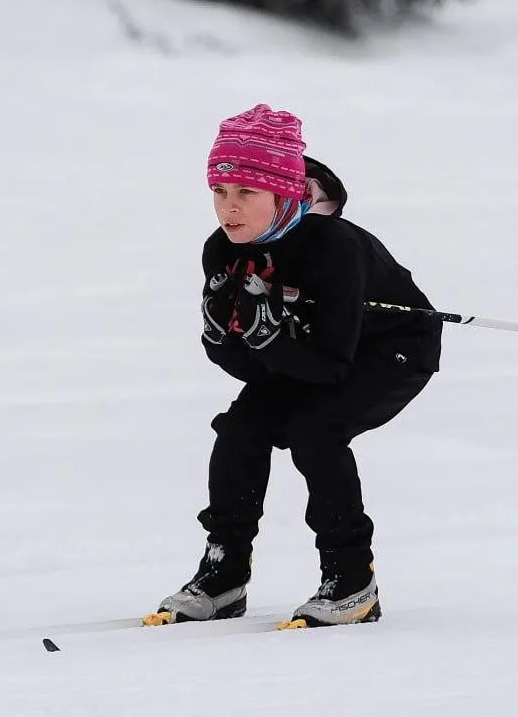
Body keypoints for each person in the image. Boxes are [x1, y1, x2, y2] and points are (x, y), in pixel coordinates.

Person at [145, 103, 442, 629]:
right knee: (242, 428)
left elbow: (330, 368)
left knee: (315, 429)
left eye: (246, 192)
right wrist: (221, 338)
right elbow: (256, 373)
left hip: (390, 349)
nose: (229, 208)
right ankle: (224, 574)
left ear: (283, 193)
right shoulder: (223, 250)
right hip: (307, 354)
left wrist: (266, 337)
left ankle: (351, 579)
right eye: (219, 191)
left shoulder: (335, 249)